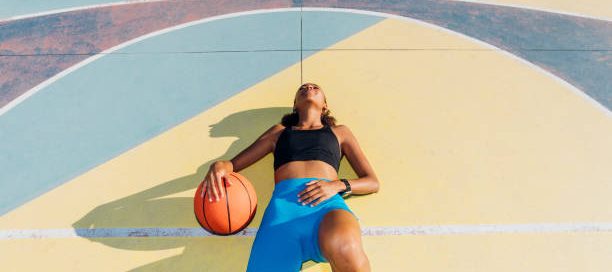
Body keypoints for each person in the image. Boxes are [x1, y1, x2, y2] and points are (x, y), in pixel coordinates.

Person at [201, 82, 380, 271]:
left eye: (315, 87)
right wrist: (219, 165)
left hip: (326, 208)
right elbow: (232, 164)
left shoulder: (340, 132)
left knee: (345, 246)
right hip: (282, 215)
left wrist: (337, 185)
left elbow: (372, 182)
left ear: (325, 105)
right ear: (295, 105)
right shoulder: (278, 133)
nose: (309, 87)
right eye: (302, 88)